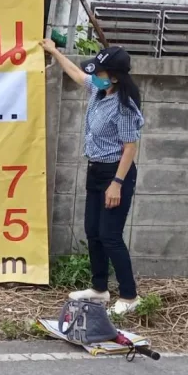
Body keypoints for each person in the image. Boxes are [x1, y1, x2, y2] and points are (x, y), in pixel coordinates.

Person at [43, 41, 145, 315]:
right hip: (96, 170)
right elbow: (77, 75)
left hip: (116, 173)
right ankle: (99, 289)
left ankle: (129, 296)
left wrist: (117, 184)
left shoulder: (123, 106)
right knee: (93, 232)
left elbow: (130, 147)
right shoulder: (99, 91)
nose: (95, 75)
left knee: (110, 235)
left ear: (114, 76)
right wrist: (54, 51)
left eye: (100, 72)